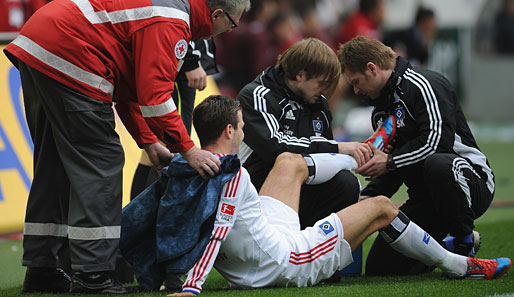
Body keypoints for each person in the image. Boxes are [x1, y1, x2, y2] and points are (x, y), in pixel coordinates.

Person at [3, 0, 250, 294]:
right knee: (101, 161)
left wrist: (148, 141)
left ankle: (42, 269)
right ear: (218, 14)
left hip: (40, 45)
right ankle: (92, 276)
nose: (226, 31)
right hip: (70, 52)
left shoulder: (167, 11)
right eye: (233, 24)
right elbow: (155, 98)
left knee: (54, 165)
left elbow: (129, 90)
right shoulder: (172, 21)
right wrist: (188, 149)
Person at [168, 95, 510, 296]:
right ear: (230, 131)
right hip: (284, 262)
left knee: (288, 162)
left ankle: (360, 153)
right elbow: (217, 233)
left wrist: (164, 277)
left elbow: (171, 223)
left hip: (263, 245)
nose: (244, 131)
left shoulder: (189, 168)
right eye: (241, 126)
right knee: (381, 207)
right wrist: (191, 288)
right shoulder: (234, 175)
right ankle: (460, 266)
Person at [338, 36, 496, 276]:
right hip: (426, 198)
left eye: (356, 82)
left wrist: (390, 162)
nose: (356, 90)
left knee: (438, 164)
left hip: (469, 184)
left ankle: (464, 245)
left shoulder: (424, 84)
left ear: (372, 68)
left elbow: (437, 143)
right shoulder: (382, 110)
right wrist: (365, 199)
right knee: (381, 268)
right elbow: (393, 170)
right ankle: (446, 250)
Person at [237, 38, 371, 230]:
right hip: (260, 188)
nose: (325, 90)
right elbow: (274, 146)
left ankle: (318, 251)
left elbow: (325, 156)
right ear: (300, 75)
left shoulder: (318, 102)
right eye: (321, 83)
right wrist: (338, 147)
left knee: (346, 183)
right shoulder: (257, 95)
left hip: (303, 184)